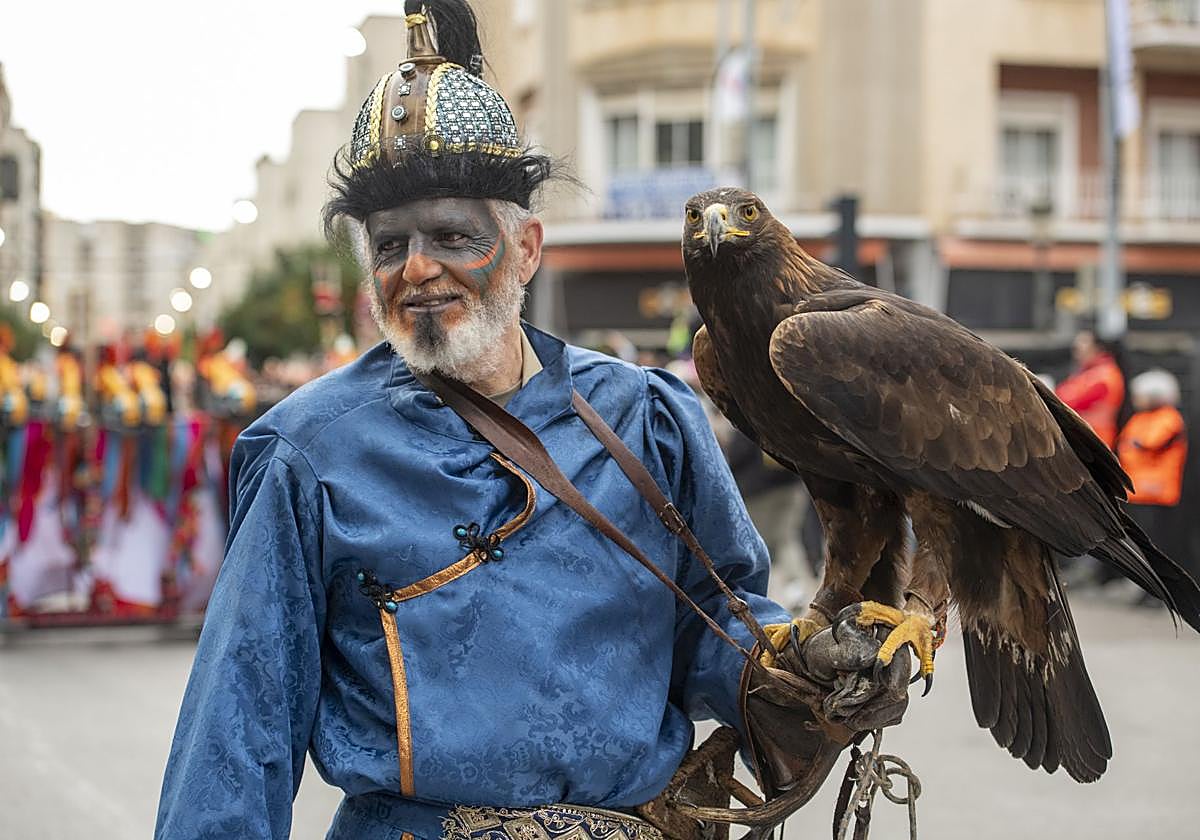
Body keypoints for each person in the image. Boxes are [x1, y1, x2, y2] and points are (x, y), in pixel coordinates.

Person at [155, 4, 905, 838]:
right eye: (390, 245)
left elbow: (716, 623)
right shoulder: (308, 453)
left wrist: (803, 666)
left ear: (526, 248)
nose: (418, 268)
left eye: (451, 235)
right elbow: (240, 727)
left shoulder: (646, 416)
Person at [1117, 369, 1191, 582]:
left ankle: (1163, 585)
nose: (1136, 399)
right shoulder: (1140, 418)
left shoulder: (1169, 418)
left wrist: (1134, 446)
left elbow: (1148, 444)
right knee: (1142, 542)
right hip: (1139, 491)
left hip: (1159, 492)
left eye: (1140, 395)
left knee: (1159, 542)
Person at [1056, 329, 1126, 449]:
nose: (1077, 352)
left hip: (1095, 438)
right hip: (1083, 435)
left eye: (1082, 346)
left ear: (1097, 348)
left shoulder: (1104, 374)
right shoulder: (1086, 372)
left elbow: (1067, 401)